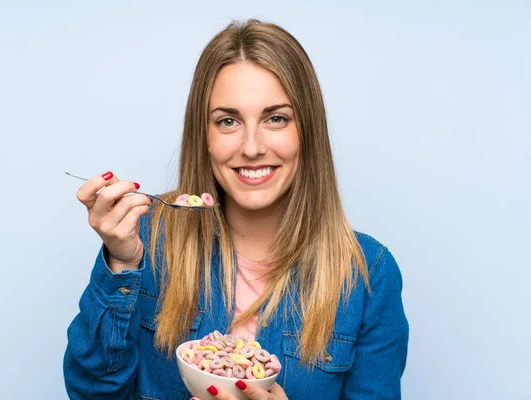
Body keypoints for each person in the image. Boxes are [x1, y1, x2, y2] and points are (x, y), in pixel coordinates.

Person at [63, 19, 409, 400]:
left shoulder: (369, 274)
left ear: (307, 130)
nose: (251, 147)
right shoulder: (145, 243)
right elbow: (91, 393)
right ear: (205, 136)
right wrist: (122, 264)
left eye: (276, 118)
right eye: (228, 121)